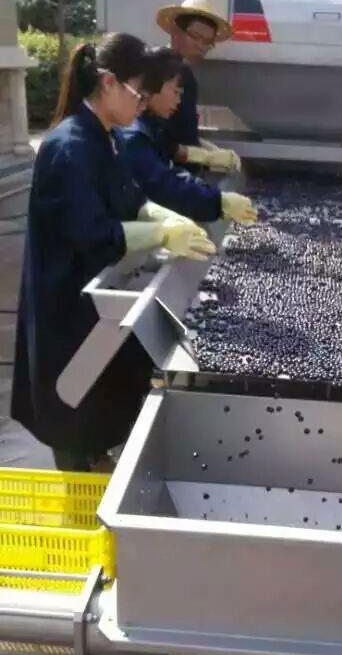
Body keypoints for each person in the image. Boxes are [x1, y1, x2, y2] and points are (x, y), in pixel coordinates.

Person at [11, 34, 216, 471]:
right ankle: (80, 490)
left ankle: (98, 462)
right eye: (138, 93)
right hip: (65, 304)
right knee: (71, 415)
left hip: (94, 302)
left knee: (100, 406)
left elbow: (132, 197)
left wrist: (167, 220)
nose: (142, 104)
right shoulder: (69, 147)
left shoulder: (107, 136)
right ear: (108, 83)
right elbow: (94, 232)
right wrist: (159, 236)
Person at [122, 47, 257, 224]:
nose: (178, 101)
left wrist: (205, 158)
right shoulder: (133, 134)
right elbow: (164, 183)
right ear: (152, 87)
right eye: (175, 92)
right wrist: (217, 201)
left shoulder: (151, 125)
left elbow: (168, 153)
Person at [156, 0, 242, 174]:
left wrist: (205, 148)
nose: (201, 46)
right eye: (195, 36)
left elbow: (182, 131)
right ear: (175, 31)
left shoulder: (186, 74)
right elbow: (155, 137)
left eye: (207, 42)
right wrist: (204, 156)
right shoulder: (158, 69)